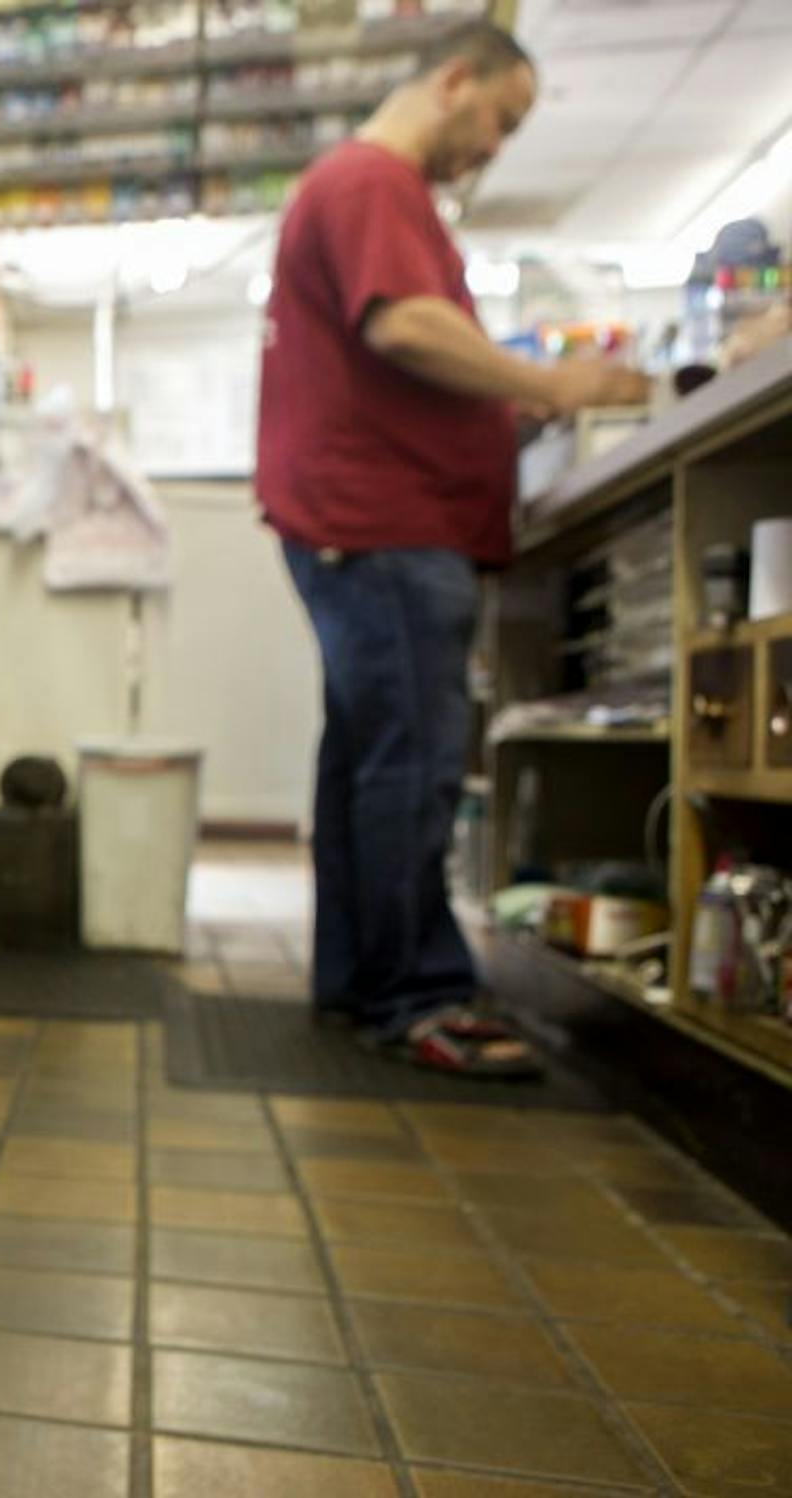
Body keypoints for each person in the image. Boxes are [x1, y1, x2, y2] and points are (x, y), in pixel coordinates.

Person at [256, 20, 651, 1077]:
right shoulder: (372, 183)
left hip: (364, 523)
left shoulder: (366, 189)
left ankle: (359, 980)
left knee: (368, 759)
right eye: (500, 120)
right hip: (384, 523)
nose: (495, 146)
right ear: (454, 80)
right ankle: (419, 993)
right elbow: (405, 329)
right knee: (414, 760)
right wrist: (554, 385)